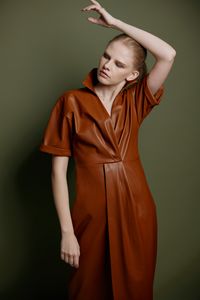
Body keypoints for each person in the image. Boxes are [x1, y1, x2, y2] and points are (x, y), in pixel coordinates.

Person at [39, 0, 176, 299]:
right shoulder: (71, 102)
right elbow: (58, 173)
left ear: (132, 76)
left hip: (135, 210)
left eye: (119, 64)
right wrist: (66, 232)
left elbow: (167, 54)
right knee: (87, 289)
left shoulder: (136, 101)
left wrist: (116, 24)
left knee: (134, 290)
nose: (106, 65)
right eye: (106, 55)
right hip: (91, 213)